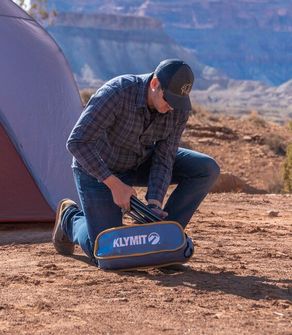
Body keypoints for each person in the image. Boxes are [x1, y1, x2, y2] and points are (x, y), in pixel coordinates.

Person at [52, 59, 220, 264]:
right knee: (106, 253)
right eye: (169, 100)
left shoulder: (178, 108)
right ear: (155, 84)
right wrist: (114, 185)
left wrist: (155, 201)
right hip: (99, 169)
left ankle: (164, 243)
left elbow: (164, 157)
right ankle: (70, 218)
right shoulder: (117, 93)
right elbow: (77, 143)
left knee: (206, 169)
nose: (172, 108)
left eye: (178, 102)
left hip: (140, 162)